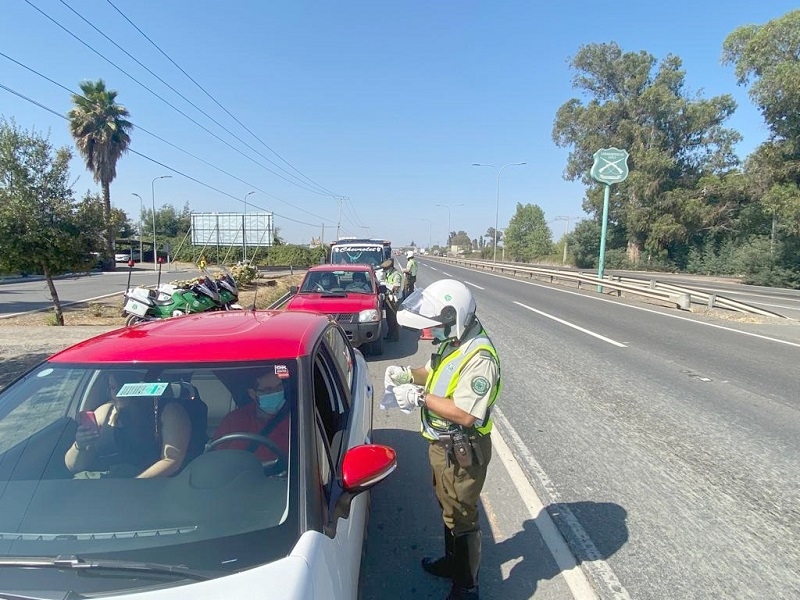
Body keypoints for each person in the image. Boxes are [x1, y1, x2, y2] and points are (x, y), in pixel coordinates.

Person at [385, 279, 501, 600]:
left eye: (435, 326)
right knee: (447, 506)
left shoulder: (479, 357)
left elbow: (466, 413)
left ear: (454, 318)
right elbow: (433, 369)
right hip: (443, 445)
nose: (428, 333)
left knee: (463, 516)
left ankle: (467, 586)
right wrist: (407, 374)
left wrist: (420, 398)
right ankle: (453, 563)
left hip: (463, 449)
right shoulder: (454, 343)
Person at [65, 372, 192, 479]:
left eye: (119, 388)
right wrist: (80, 445)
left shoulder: (169, 411)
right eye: (111, 388)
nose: (115, 394)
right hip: (103, 486)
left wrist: (133, 485)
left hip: (149, 488)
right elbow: (74, 467)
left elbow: (172, 460)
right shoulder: (105, 412)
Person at [211, 369, 290, 464]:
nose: (276, 393)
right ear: (252, 394)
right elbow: (215, 461)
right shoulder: (234, 420)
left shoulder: (296, 418)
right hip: (240, 477)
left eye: (279, 387)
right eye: (268, 390)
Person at [380, 257, 402, 342]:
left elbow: (396, 288)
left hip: (394, 299)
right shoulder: (388, 274)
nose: (384, 270)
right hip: (388, 298)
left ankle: (395, 336)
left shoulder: (396, 275)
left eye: (385, 269)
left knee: (394, 319)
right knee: (389, 318)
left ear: (390, 267)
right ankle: (390, 334)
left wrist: (386, 284)